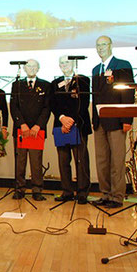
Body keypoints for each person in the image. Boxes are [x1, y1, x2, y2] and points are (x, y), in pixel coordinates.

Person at [92, 35, 134, 209]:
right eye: (98, 45)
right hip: (99, 121)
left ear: (110, 46)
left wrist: (127, 119)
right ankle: (105, 193)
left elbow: (128, 93)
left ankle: (117, 196)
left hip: (117, 121)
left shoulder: (122, 65)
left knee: (117, 160)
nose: (100, 48)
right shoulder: (95, 69)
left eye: (103, 44)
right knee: (102, 160)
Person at [50, 55, 91, 204]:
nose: (64, 65)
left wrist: (70, 120)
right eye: (61, 63)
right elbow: (52, 104)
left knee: (81, 160)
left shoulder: (84, 81)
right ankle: (67, 191)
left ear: (73, 64)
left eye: (67, 62)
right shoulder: (54, 83)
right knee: (63, 160)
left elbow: (84, 103)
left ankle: (82, 192)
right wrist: (62, 118)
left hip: (78, 125)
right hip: (60, 126)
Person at [10, 59, 51, 201]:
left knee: (36, 161)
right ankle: (19, 189)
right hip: (21, 129)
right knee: (20, 161)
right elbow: (13, 106)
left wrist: (37, 126)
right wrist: (22, 124)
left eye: (34, 66)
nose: (32, 69)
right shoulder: (17, 85)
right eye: (29, 66)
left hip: (36, 130)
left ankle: (37, 190)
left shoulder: (46, 85)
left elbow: (47, 107)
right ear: (25, 69)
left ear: (38, 69)